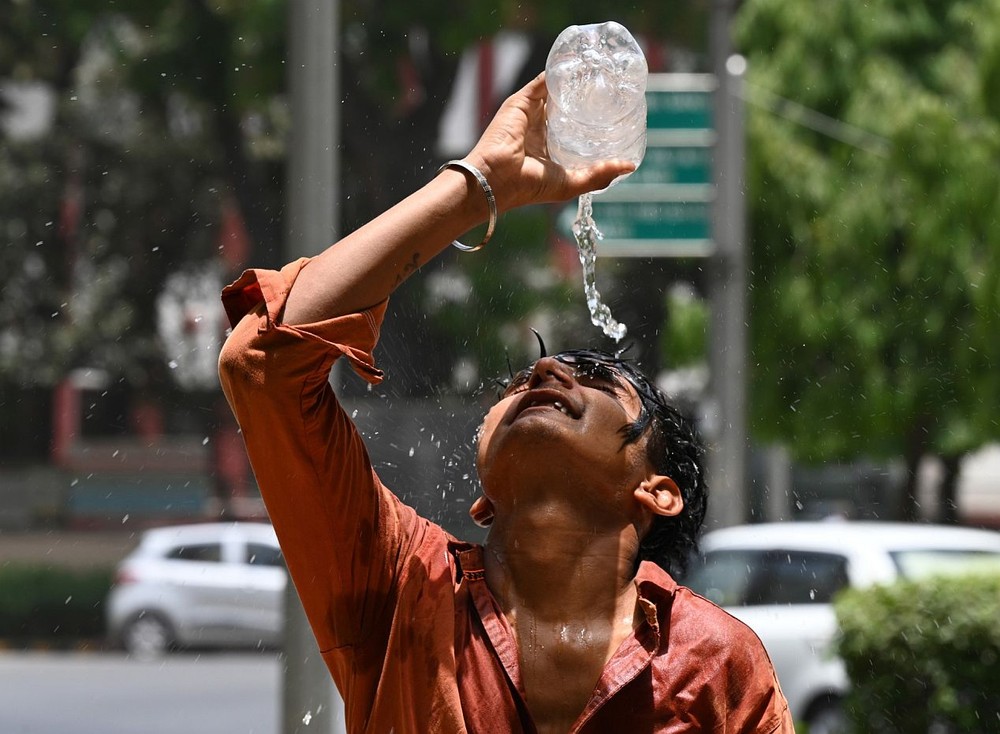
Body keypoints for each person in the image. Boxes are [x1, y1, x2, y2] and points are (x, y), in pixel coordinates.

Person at [219, 73, 793, 734]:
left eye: (596, 377)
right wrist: (476, 186)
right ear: (484, 499)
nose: (544, 370)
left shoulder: (717, 663)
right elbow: (261, 365)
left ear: (657, 491)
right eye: (514, 387)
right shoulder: (403, 586)